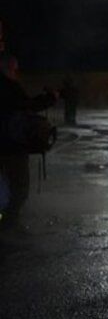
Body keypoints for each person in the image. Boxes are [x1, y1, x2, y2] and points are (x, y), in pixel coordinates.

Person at [0, 53, 56, 224]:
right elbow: (27, 106)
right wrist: (49, 99)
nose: (16, 72)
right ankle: (9, 224)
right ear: (8, 67)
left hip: (6, 144)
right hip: (10, 145)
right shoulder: (9, 87)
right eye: (15, 69)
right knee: (19, 187)